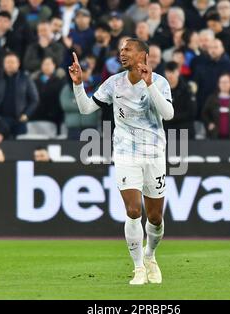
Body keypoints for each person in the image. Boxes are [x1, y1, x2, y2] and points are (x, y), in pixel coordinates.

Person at [69, 38, 173, 285]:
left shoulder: (159, 82)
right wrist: (78, 84)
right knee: (133, 210)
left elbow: (168, 114)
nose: (122, 53)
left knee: (156, 217)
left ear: (143, 55)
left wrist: (149, 85)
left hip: (155, 155)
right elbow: (85, 108)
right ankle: (138, 268)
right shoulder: (114, 83)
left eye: (127, 49)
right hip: (126, 154)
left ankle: (150, 256)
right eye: (121, 50)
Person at [0, 52, 39, 136]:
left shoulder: (26, 79)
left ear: (18, 64)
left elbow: (34, 100)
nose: (9, 65)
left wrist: (26, 114)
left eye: (12, 62)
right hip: (1, 119)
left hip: (20, 119)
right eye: (7, 62)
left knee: (20, 146)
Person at [163, 61, 196, 139]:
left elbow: (192, 112)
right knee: (170, 151)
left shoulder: (187, 90)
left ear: (178, 72)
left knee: (182, 151)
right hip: (167, 129)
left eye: (173, 72)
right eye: (168, 72)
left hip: (184, 130)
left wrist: (171, 117)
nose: (170, 75)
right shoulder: (161, 90)